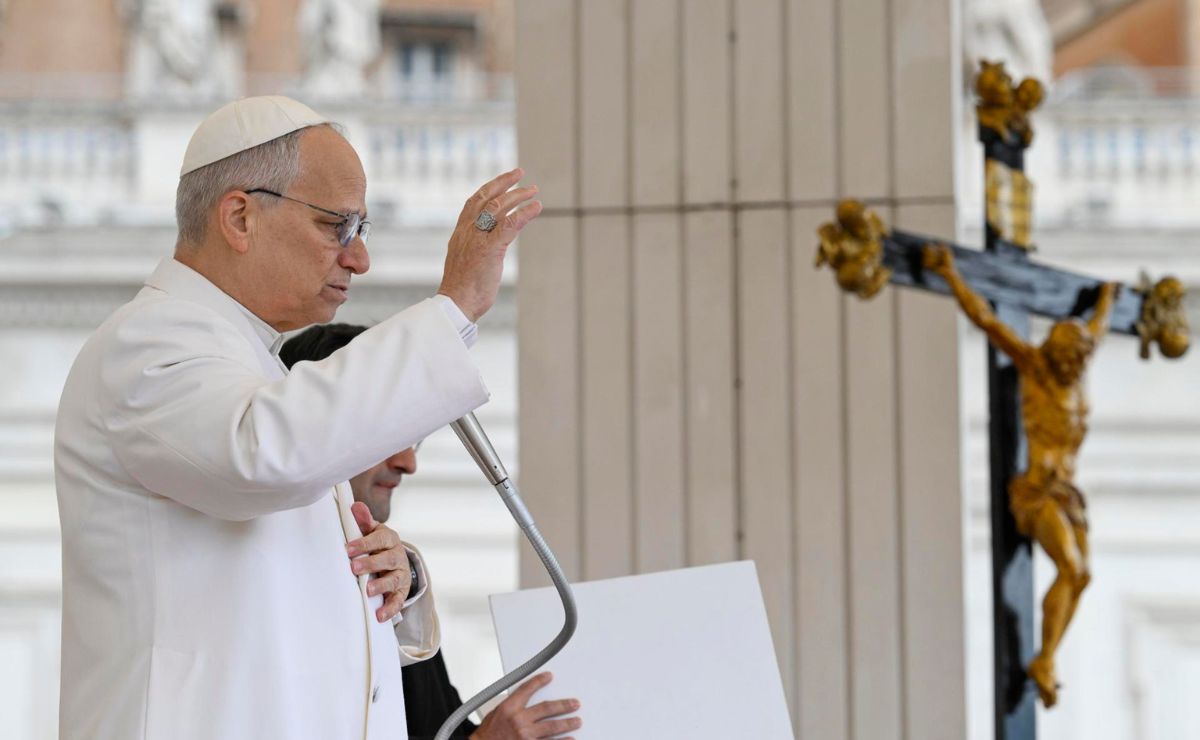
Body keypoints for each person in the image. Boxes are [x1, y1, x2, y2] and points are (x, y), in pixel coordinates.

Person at [54, 95, 541, 739]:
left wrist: (392, 574)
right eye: (338, 226)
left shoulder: (258, 366)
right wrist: (454, 309)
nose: (358, 259)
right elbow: (266, 456)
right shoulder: (146, 345)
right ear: (240, 216)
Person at [281, 323, 584, 740]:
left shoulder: (394, 570)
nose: (409, 462)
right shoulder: (270, 577)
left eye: (414, 438)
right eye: (389, 433)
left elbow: (429, 726)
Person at [924, 243, 1117, 707]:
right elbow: (987, 321)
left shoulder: (1077, 371)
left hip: (1068, 492)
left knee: (1083, 576)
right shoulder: (1035, 367)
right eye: (1070, 359)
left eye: (1081, 361)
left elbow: (1098, 330)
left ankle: (1048, 656)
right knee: (1071, 567)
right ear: (1055, 353)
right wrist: (951, 274)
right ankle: (1044, 658)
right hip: (1036, 493)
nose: (1076, 367)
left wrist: (1108, 299)